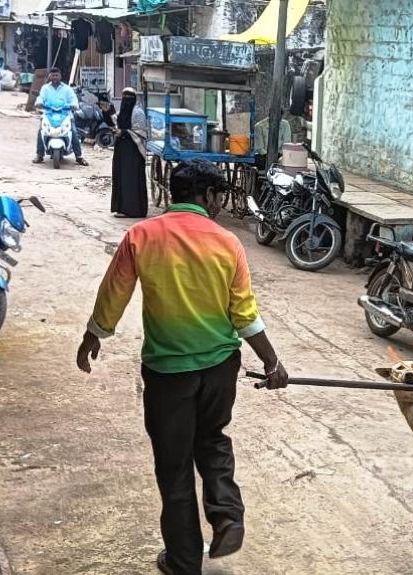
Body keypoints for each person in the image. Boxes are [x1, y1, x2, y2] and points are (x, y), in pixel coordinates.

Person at [76, 158, 288, 575]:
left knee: (173, 467)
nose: (220, 205)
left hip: (168, 372)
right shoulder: (228, 243)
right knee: (212, 440)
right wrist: (272, 362)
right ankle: (226, 514)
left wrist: (94, 335)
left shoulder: (141, 236)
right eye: (219, 196)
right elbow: (244, 314)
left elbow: (114, 291)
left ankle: (183, 561)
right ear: (207, 195)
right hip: (221, 366)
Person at [33, 68, 88, 166]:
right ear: (49, 76)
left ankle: (79, 156)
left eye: (56, 75)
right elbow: (41, 98)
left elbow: (73, 99)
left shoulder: (67, 89)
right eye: (52, 75)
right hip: (49, 114)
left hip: (65, 114)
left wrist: (74, 105)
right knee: (41, 131)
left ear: (60, 76)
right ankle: (39, 155)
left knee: (74, 133)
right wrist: (39, 103)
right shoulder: (45, 88)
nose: (54, 77)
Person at [110, 87, 147, 218]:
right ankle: (121, 208)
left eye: (129, 97)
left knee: (131, 179)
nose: (126, 100)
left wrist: (124, 132)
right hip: (121, 149)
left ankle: (134, 210)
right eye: (124, 97)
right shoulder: (123, 111)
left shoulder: (138, 113)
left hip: (134, 151)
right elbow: (116, 121)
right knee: (121, 177)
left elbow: (141, 132)